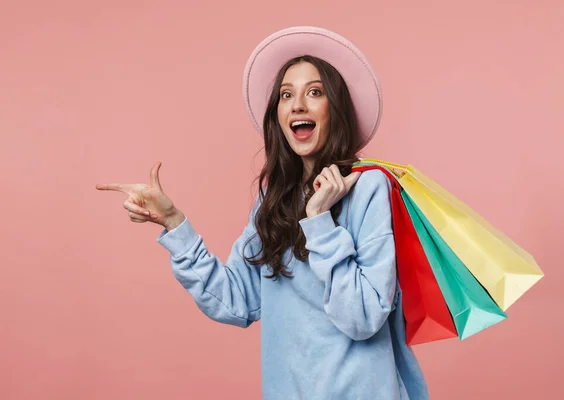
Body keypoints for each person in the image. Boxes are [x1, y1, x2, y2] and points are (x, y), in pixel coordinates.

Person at [97, 26, 429, 400]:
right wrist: (174, 223)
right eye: (287, 94)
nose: (298, 104)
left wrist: (319, 221)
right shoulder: (275, 198)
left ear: (335, 109)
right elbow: (236, 301)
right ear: (278, 113)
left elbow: (364, 318)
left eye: (314, 93)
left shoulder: (368, 186)